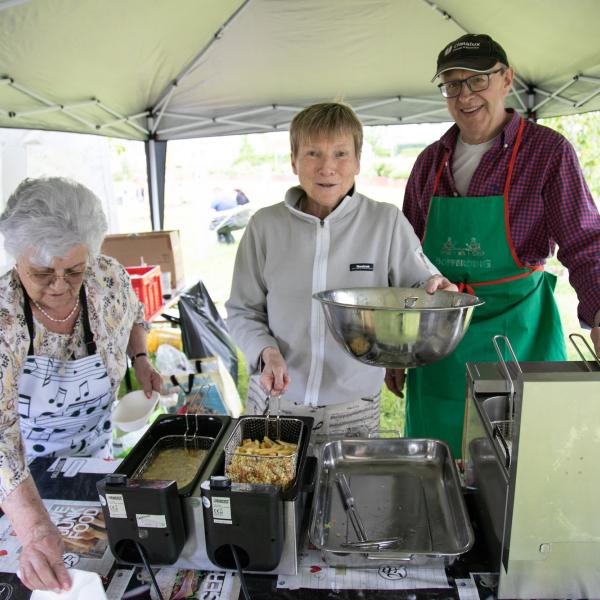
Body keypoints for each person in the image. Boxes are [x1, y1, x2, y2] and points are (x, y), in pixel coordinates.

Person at [399, 34, 600, 457]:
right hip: (440, 348)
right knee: (436, 467)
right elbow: (404, 259)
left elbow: (585, 243)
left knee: (524, 463)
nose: (464, 95)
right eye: (452, 84)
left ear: (506, 79)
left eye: (476, 80)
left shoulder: (547, 152)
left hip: (518, 339)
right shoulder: (429, 163)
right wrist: (401, 345)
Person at [226, 102, 456, 439]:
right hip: (276, 399)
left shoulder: (385, 221)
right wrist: (266, 352)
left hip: (353, 404)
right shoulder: (265, 226)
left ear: (358, 161)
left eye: (340, 154)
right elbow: (242, 310)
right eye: (313, 154)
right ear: (294, 161)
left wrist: (436, 288)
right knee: (268, 489)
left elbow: (421, 285)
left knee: (349, 492)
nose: (327, 168)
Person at [0, 177, 162, 592]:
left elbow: (134, 315)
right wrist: (34, 530)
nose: (59, 285)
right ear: (17, 259)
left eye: (73, 270)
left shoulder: (107, 277)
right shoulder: (4, 315)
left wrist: (139, 358)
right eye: (41, 273)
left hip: (94, 457)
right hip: (21, 478)